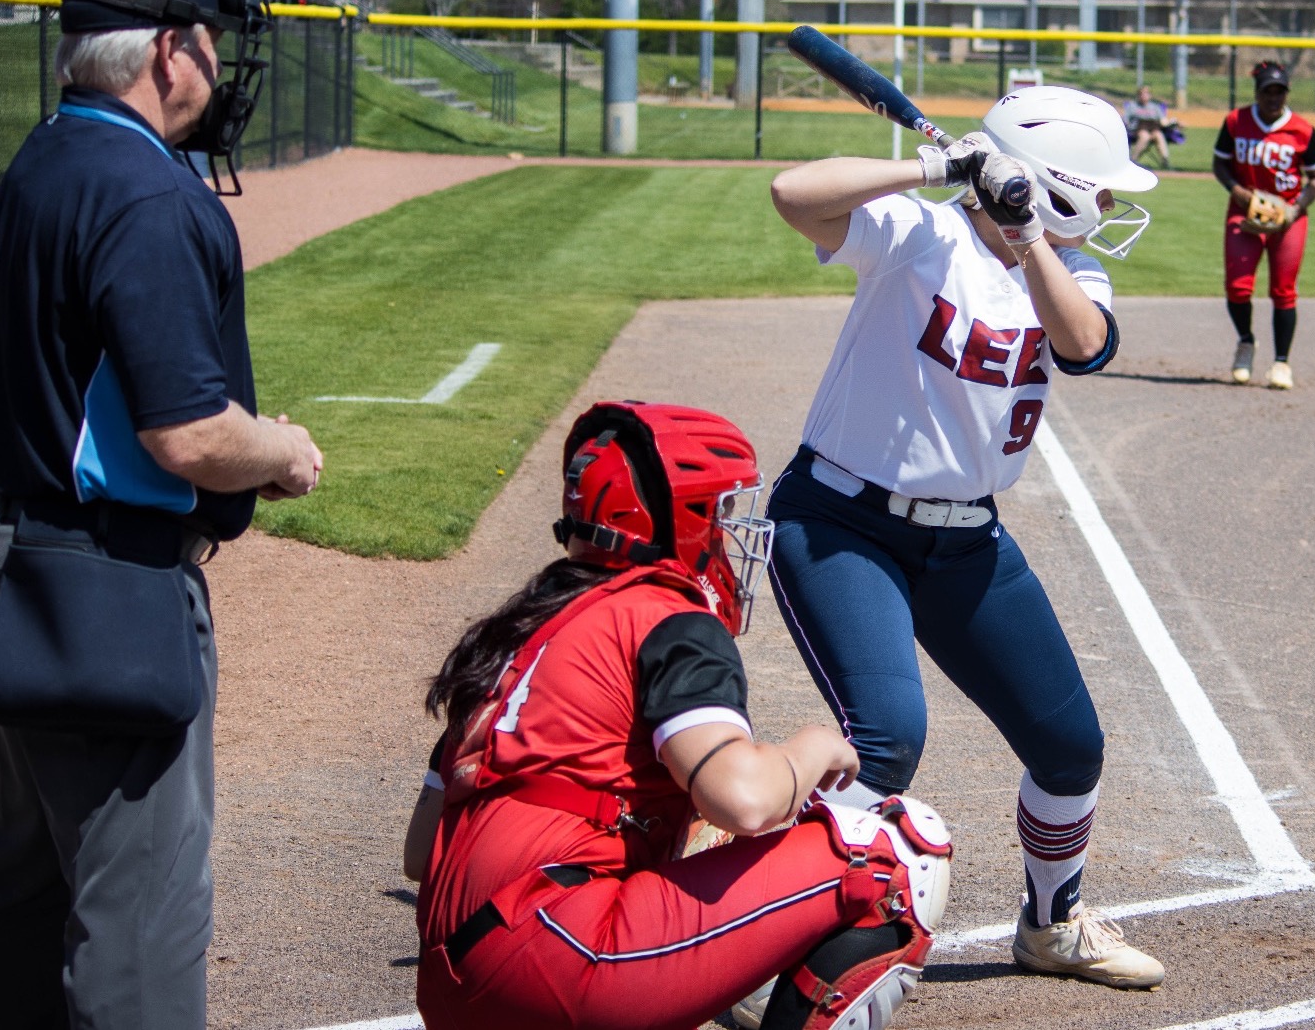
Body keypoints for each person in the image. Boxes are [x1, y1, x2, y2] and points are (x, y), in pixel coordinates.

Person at [0, 0, 320, 1026]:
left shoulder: (47, 156)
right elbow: (190, 432)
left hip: (11, 567)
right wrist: (279, 452)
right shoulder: (149, 191)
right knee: (137, 920)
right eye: (207, 40)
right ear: (166, 50)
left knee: (26, 873)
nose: (217, 62)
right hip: (103, 592)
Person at [765, 85, 1167, 991]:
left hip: (967, 544)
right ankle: (757, 920)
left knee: (1070, 748)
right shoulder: (918, 231)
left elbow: (1084, 344)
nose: (1107, 208)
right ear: (1055, 180)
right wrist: (938, 167)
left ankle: (1051, 927)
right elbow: (793, 193)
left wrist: (1026, 234)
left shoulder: (1065, 267)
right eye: (1098, 190)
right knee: (887, 740)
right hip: (841, 525)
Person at [407, 401, 952, 1030]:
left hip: (455, 983)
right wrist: (814, 747)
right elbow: (744, 798)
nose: (729, 535)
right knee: (896, 851)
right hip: (557, 962)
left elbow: (422, 854)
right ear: (681, 519)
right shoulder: (667, 617)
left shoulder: (518, 632)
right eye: (720, 514)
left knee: (693, 836)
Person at [1213, 60, 1315, 389]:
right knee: (1237, 287)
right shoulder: (1236, 121)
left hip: (1287, 217)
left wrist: (1295, 209)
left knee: (1283, 290)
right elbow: (1220, 164)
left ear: (1287, 92)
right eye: (1268, 91)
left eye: (1280, 91)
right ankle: (1246, 342)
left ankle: (1281, 363)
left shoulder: (1302, 130)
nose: (1274, 98)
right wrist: (1237, 191)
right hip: (1245, 212)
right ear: (1257, 92)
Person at [1120, 84, 1176, 169]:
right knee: (1144, 136)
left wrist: (1174, 123)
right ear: (1138, 95)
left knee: (1158, 135)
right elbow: (1125, 120)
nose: (1144, 96)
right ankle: (1133, 161)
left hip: (1153, 129)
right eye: (1141, 93)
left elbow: (1163, 121)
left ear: (1150, 95)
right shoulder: (1132, 106)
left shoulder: (1155, 107)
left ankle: (1165, 161)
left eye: (1147, 93)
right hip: (1136, 131)